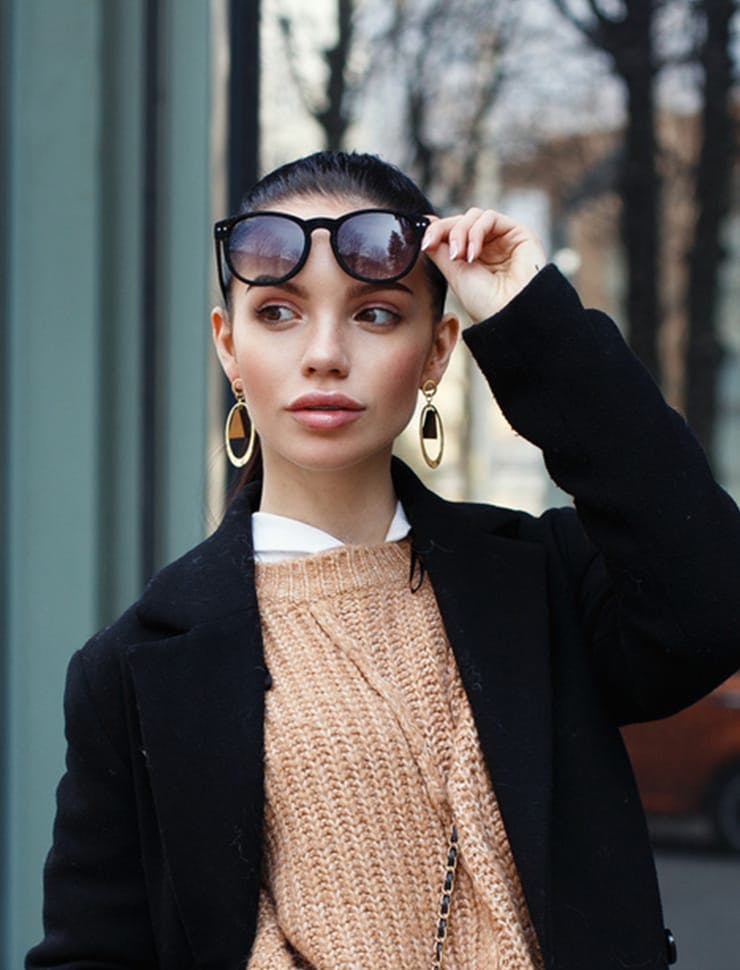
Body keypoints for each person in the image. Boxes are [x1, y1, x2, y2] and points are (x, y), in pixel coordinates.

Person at [27, 151, 740, 970]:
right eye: (278, 312)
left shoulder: (540, 584)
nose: (325, 353)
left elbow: (713, 600)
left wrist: (534, 325)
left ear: (437, 350)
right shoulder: (131, 669)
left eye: (374, 314)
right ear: (228, 346)